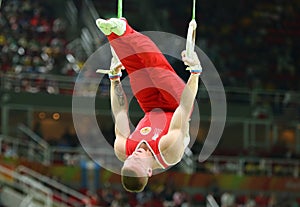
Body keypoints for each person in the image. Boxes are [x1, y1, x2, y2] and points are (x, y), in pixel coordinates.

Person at [95, 17, 202, 192]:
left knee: (134, 67)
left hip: (149, 106)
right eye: (137, 161)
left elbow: (120, 113)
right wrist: (195, 73)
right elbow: (184, 108)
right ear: (149, 171)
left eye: (129, 160)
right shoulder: (168, 150)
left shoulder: (124, 149)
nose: (133, 156)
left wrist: (114, 80)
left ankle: (112, 34)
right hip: (176, 104)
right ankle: (125, 29)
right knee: (153, 65)